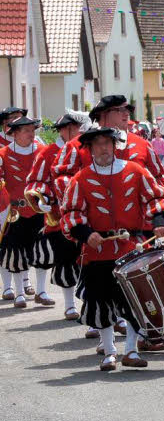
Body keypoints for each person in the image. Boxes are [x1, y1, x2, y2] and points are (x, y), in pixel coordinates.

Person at [60, 126, 164, 371]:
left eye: (107, 143)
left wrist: (159, 223)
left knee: (134, 301)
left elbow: (157, 198)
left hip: (130, 249)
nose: (103, 148)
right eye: (98, 144)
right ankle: (109, 352)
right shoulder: (81, 178)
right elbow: (71, 213)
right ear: (90, 149)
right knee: (101, 302)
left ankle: (131, 350)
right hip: (97, 251)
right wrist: (85, 233)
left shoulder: (136, 171)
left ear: (115, 146)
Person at [26, 110, 90, 320]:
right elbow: (36, 180)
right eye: (65, 128)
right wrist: (42, 198)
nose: (69, 131)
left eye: (72, 127)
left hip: (89, 215)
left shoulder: (88, 147)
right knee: (65, 260)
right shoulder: (48, 153)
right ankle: (70, 305)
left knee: (89, 262)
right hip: (59, 216)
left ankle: (90, 305)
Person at [54, 95, 164, 198]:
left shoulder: (143, 145)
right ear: (103, 113)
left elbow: (159, 183)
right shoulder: (77, 145)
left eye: (128, 109)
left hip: (136, 220)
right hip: (92, 219)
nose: (127, 113)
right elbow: (62, 179)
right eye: (121, 110)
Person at [0, 117, 48, 308]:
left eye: (32, 130)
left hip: (38, 209)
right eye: (27, 130)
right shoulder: (3, 154)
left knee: (41, 252)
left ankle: (41, 291)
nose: (31, 134)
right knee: (16, 252)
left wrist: (48, 200)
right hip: (16, 211)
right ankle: (19, 292)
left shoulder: (42, 152)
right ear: (15, 133)